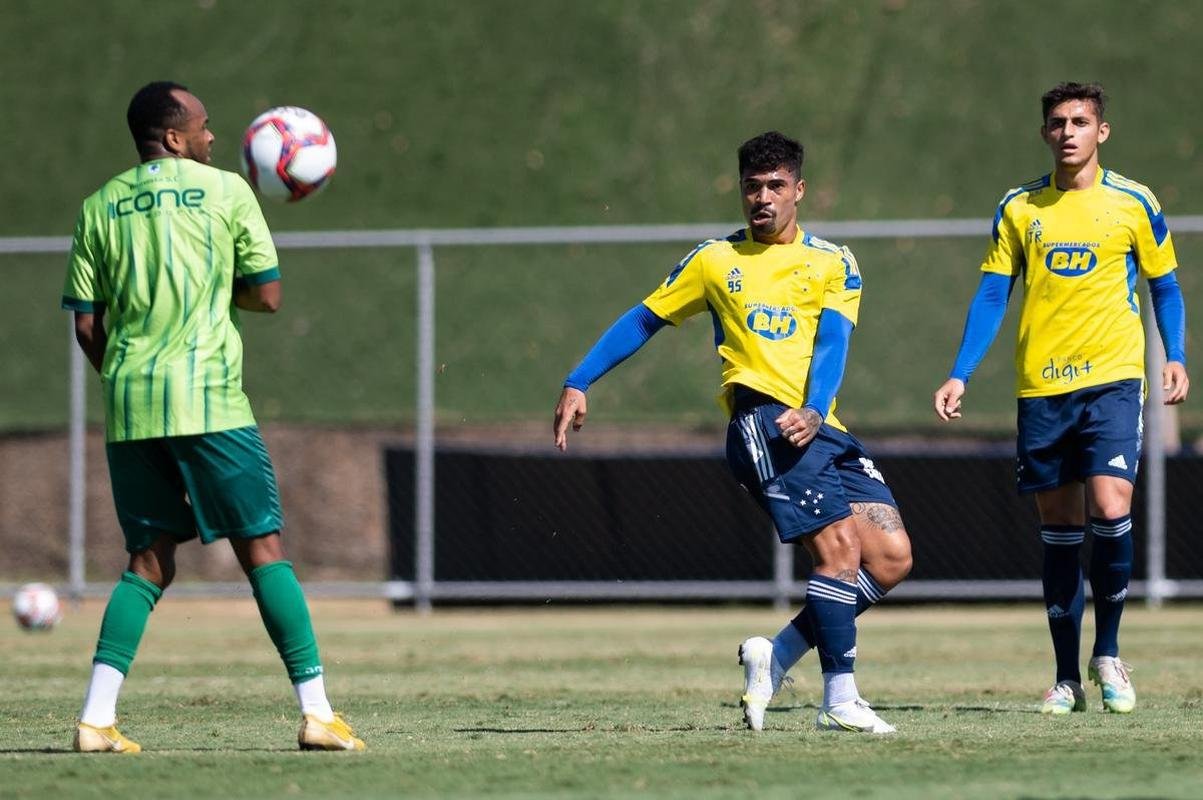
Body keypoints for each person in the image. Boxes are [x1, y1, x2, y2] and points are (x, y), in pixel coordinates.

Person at [553, 131, 913, 734]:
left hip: (822, 426)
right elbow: (645, 318)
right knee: (840, 554)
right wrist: (579, 379)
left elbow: (832, 343)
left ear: (799, 190)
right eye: (752, 187)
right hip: (763, 424)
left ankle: (774, 657)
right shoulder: (715, 261)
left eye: (775, 186)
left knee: (891, 557)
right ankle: (840, 698)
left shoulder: (833, 262)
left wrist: (820, 409)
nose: (763, 198)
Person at [61, 81, 364, 752]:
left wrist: (126, 374)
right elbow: (269, 295)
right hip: (209, 398)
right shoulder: (229, 192)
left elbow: (86, 324)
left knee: (147, 560)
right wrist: (211, 286)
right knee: (262, 548)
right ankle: (317, 713)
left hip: (130, 403)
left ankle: (96, 720)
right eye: (201, 127)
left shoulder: (98, 206)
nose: (211, 137)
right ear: (171, 137)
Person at [934, 82, 1188, 715]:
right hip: (1043, 387)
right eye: (1057, 122)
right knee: (1061, 531)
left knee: (1110, 503)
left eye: (1080, 121)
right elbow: (993, 294)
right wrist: (961, 372)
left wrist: (1177, 355)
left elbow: (1166, 286)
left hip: (1113, 379)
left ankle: (1110, 653)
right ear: (1044, 133)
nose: (1068, 131)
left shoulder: (1134, 202)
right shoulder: (1020, 207)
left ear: (1102, 131)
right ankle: (1065, 678)